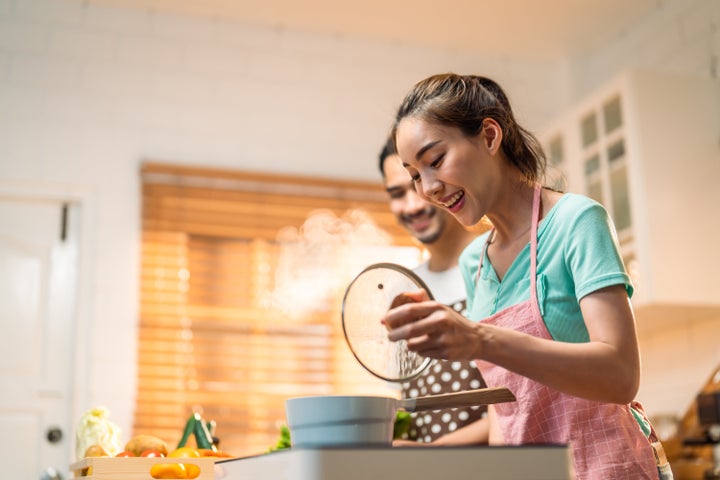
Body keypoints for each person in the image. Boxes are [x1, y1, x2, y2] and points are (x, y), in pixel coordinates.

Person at [381, 73, 673, 479]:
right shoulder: (474, 263)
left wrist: (480, 338)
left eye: (435, 160)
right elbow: (505, 410)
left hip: (604, 468)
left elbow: (622, 376)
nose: (427, 187)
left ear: (488, 136)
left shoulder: (576, 221)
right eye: (415, 174)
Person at [378, 136, 490, 446]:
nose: (412, 205)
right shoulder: (403, 289)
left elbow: (529, 398)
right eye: (397, 193)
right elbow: (406, 405)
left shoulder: (498, 262)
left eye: (416, 183)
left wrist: (432, 453)